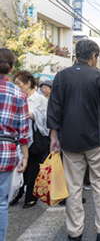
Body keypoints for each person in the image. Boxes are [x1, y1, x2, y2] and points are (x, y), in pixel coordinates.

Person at [47, 40, 100, 241]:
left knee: (72, 186)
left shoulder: (61, 76)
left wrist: (54, 137)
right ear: (94, 57)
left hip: (69, 141)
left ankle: (74, 232)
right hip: (96, 140)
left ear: (76, 55)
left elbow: (54, 108)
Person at [0, 48, 29, 241]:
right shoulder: (18, 93)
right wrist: (25, 155)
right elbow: (23, 130)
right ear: (11, 69)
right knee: (1, 203)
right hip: (6, 151)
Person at [12, 70, 50, 209]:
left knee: (33, 168)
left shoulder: (40, 99)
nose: (17, 86)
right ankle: (17, 193)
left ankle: (31, 197)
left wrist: (31, 114)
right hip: (19, 136)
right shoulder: (17, 97)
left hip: (35, 139)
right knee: (20, 166)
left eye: (19, 83)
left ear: (28, 83)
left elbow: (46, 118)